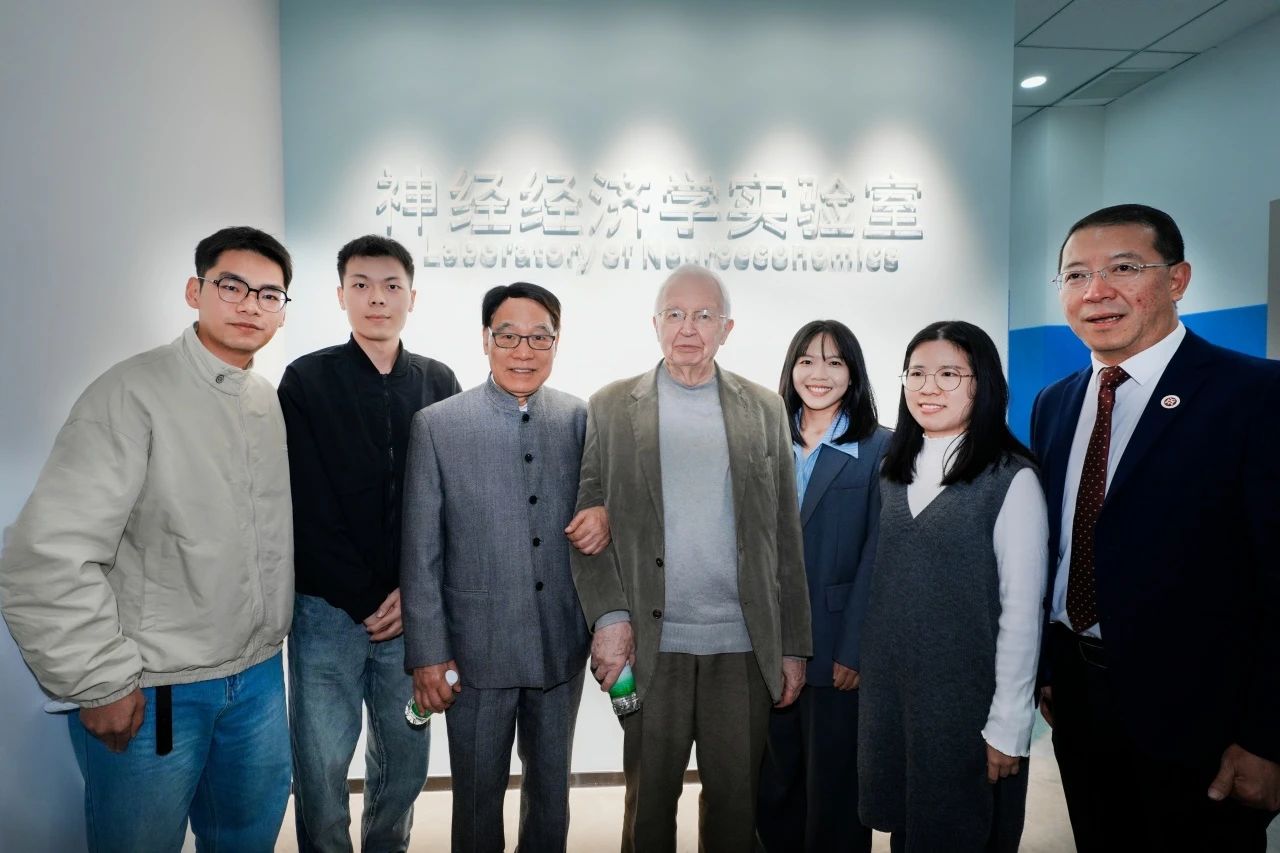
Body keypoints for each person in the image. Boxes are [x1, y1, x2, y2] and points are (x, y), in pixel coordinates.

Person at [0, 227, 295, 852]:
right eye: (232, 286)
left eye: (269, 295)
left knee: (247, 841)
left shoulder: (265, 401)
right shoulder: (131, 392)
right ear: (195, 291)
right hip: (157, 687)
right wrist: (98, 680)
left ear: (282, 311)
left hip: (258, 680)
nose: (250, 305)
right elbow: (46, 555)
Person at [1032, 204, 1280, 851]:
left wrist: (1267, 737)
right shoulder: (1055, 403)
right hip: (1079, 701)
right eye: (1076, 275)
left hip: (1204, 724)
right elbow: (1055, 550)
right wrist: (1048, 666)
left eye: (1123, 268)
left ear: (1177, 279)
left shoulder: (1255, 395)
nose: (1096, 291)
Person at [571, 264, 812, 853]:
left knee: (735, 809)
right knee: (648, 809)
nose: (688, 328)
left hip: (742, 645)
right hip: (653, 646)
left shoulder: (765, 409)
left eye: (704, 315)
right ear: (654, 323)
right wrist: (609, 619)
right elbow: (586, 526)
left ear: (726, 328)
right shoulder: (609, 406)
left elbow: (785, 533)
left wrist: (793, 645)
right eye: (675, 314)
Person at [400, 282, 608, 852]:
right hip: (474, 652)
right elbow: (421, 552)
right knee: (474, 801)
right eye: (509, 336)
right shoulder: (438, 425)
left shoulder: (580, 418)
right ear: (486, 340)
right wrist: (429, 653)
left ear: (556, 343)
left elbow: (602, 511)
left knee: (551, 798)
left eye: (539, 338)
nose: (524, 351)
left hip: (559, 645)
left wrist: (607, 516)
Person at [278, 234, 460, 852]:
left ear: (412, 297)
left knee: (405, 760)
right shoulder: (306, 379)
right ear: (340, 295)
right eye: (361, 285)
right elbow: (304, 502)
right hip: (326, 612)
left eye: (390, 286)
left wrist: (414, 592)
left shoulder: (438, 381)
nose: (376, 298)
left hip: (412, 614)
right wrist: (363, 597)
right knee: (321, 762)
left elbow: (450, 500)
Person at [858, 320, 1048, 853]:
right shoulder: (892, 469)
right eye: (916, 373)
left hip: (966, 703)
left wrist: (1009, 724)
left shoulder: (1010, 479)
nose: (928, 388)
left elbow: (1021, 614)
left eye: (948, 374)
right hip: (895, 696)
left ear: (981, 384)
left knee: (961, 830)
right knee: (907, 830)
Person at [756, 320, 889, 853]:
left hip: (835, 649)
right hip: (762, 643)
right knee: (772, 789)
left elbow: (878, 556)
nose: (820, 373)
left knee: (834, 793)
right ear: (791, 368)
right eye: (807, 360)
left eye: (835, 362)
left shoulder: (880, 448)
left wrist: (854, 649)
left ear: (853, 374)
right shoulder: (762, 438)